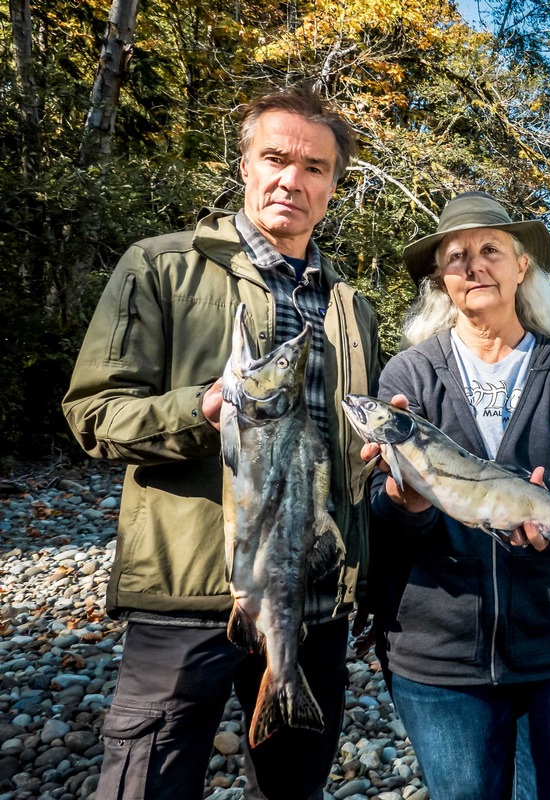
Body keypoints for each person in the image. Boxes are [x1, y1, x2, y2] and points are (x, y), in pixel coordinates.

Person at [62, 85, 382, 800]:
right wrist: (198, 411)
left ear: (334, 185)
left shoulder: (350, 305)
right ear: (244, 165)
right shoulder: (160, 267)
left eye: (315, 167)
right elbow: (93, 415)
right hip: (188, 596)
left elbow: (349, 468)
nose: (291, 180)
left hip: (316, 606)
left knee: (293, 791)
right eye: (275, 158)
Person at [362, 191, 550, 800]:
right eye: (457, 256)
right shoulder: (406, 377)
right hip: (440, 658)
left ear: (521, 266)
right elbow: (379, 513)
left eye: (491, 251)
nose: (474, 266)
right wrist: (406, 502)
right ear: (442, 279)